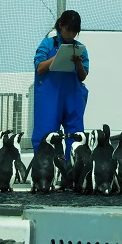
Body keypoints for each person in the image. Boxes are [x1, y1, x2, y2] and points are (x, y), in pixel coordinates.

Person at [32, 10, 89, 162]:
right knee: (46, 134)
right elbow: (39, 67)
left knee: (76, 136)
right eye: (68, 30)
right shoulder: (48, 44)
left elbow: (83, 76)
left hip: (72, 96)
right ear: (60, 25)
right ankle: (44, 174)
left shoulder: (80, 48)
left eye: (74, 31)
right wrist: (56, 57)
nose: (70, 35)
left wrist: (78, 63)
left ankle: (72, 174)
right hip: (49, 97)